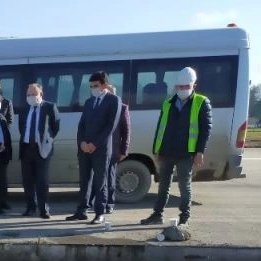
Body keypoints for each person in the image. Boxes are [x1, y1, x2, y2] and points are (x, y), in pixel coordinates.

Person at [140, 67, 212, 227]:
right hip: (167, 151)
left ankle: (185, 217)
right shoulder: (168, 103)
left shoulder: (201, 102)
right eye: (180, 87)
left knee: (184, 185)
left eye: (186, 86)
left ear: (194, 85)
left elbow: (206, 129)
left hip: (187, 153)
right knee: (163, 185)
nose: (182, 89)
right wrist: (156, 150)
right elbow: (160, 128)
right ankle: (157, 215)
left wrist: (200, 151)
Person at [66, 71, 120, 224]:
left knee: (100, 181)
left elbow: (110, 126)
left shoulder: (114, 100)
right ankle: (81, 210)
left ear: (104, 85)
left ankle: (99, 213)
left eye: (95, 86)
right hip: (84, 149)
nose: (93, 89)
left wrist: (94, 144)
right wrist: (82, 142)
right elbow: (81, 125)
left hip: (101, 149)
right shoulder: (90, 102)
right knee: (84, 180)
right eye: (91, 86)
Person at [85, 84, 130, 214]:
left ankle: (109, 203)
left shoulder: (122, 108)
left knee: (109, 177)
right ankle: (92, 202)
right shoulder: (96, 107)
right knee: (96, 178)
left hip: (113, 149)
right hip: (97, 148)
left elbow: (126, 131)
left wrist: (123, 150)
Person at [18, 83, 60, 219]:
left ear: (40, 94)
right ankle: (30, 207)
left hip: (42, 149)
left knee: (42, 180)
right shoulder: (24, 109)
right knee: (27, 181)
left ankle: (44, 209)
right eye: (28, 94)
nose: (30, 97)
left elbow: (55, 127)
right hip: (26, 148)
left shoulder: (49, 107)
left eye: (33, 94)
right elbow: (21, 127)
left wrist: (47, 140)